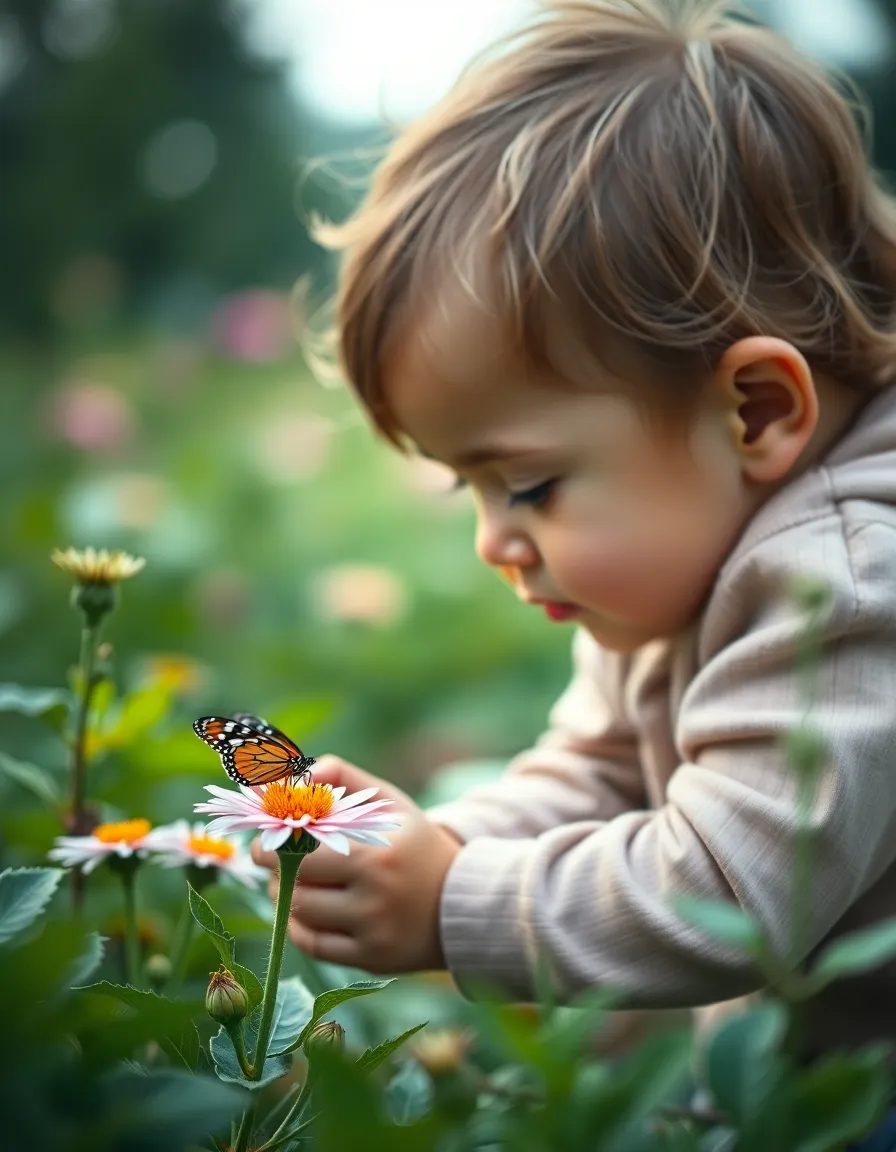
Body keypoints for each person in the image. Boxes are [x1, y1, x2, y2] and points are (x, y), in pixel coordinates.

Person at [252, 0, 896, 1136]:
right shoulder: (676, 567)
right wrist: (434, 849)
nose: (495, 542)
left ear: (752, 410)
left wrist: (452, 905)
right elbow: (591, 767)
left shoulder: (845, 583)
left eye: (528, 484)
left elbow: (727, 896)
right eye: (470, 488)